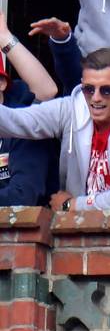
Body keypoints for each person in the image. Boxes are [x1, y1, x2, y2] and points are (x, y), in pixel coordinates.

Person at [0, 49, 110, 210]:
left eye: (106, 90)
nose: (96, 97)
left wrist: (73, 204)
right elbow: (17, 121)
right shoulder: (71, 108)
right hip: (77, 230)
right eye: (89, 89)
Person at [0, 11, 60, 206]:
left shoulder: (23, 123)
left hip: (24, 234)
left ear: (2, 83)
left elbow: (23, 195)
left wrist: (4, 38)